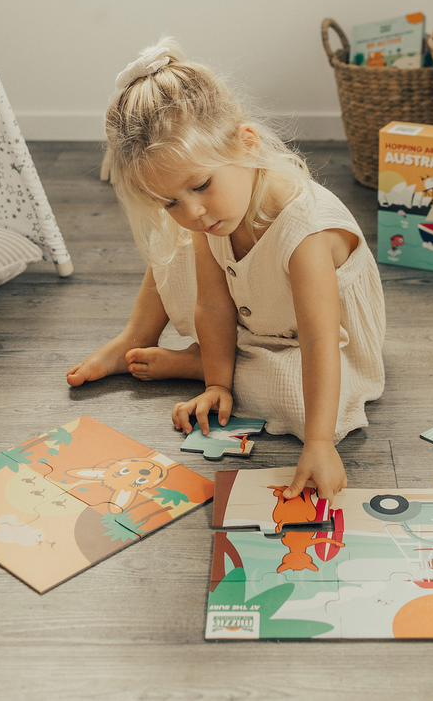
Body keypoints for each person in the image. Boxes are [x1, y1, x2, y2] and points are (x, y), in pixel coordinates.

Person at [67, 38, 386, 502]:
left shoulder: (306, 232)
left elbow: (319, 340)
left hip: (318, 339)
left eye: (200, 185)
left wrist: (319, 444)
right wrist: (219, 384)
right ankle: (139, 334)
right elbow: (214, 304)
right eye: (170, 200)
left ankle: (199, 363)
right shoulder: (210, 214)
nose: (193, 210)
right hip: (254, 312)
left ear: (247, 144)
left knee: (302, 403)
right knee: (172, 241)